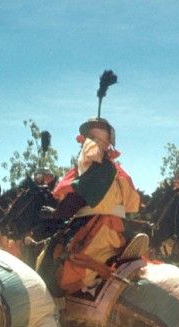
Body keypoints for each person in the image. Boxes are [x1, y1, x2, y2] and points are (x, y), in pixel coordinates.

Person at [43, 116, 146, 295]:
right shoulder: (121, 173)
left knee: (54, 256)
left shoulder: (99, 168)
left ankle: (52, 304)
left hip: (99, 230)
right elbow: (131, 208)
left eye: (87, 139)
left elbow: (74, 202)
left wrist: (55, 215)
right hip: (122, 231)